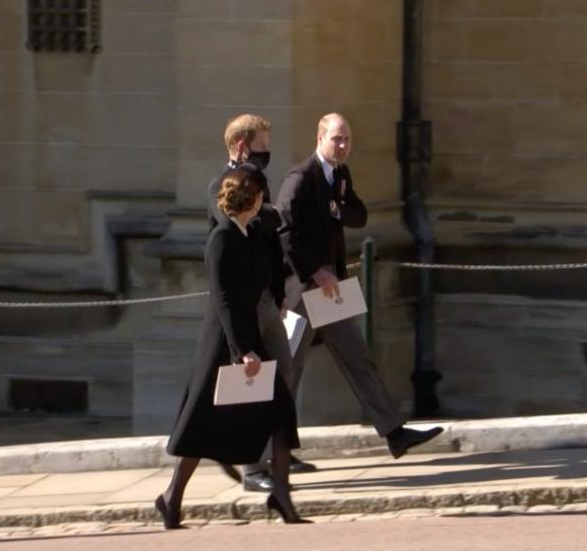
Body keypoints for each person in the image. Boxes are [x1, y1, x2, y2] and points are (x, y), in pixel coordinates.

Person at [275, 113, 443, 459]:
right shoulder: (301, 176)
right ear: (320, 138)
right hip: (303, 287)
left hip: (331, 285)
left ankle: (395, 432)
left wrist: (336, 205)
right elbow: (283, 229)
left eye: (347, 139)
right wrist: (313, 271)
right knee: (288, 369)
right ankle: (268, 453)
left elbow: (359, 215)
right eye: (337, 138)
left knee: (358, 357)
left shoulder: (339, 175)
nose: (343, 145)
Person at [156, 169, 310, 529]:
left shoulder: (251, 231)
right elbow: (224, 300)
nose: (265, 200)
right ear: (252, 199)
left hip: (251, 339)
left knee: (282, 415)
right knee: (201, 424)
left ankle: (282, 495)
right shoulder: (222, 238)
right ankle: (171, 497)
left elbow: (275, 225)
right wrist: (244, 351)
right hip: (226, 344)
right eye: (261, 195)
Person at [206, 114, 317, 493]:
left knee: (283, 376)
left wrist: (280, 288)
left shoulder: (260, 184)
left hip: (269, 299)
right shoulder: (221, 186)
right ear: (241, 146)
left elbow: (270, 238)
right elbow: (240, 230)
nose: (267, 154)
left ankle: (274, 451)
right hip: (245, 306)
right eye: (262, 147)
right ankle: (252, 466)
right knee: (253, 386)